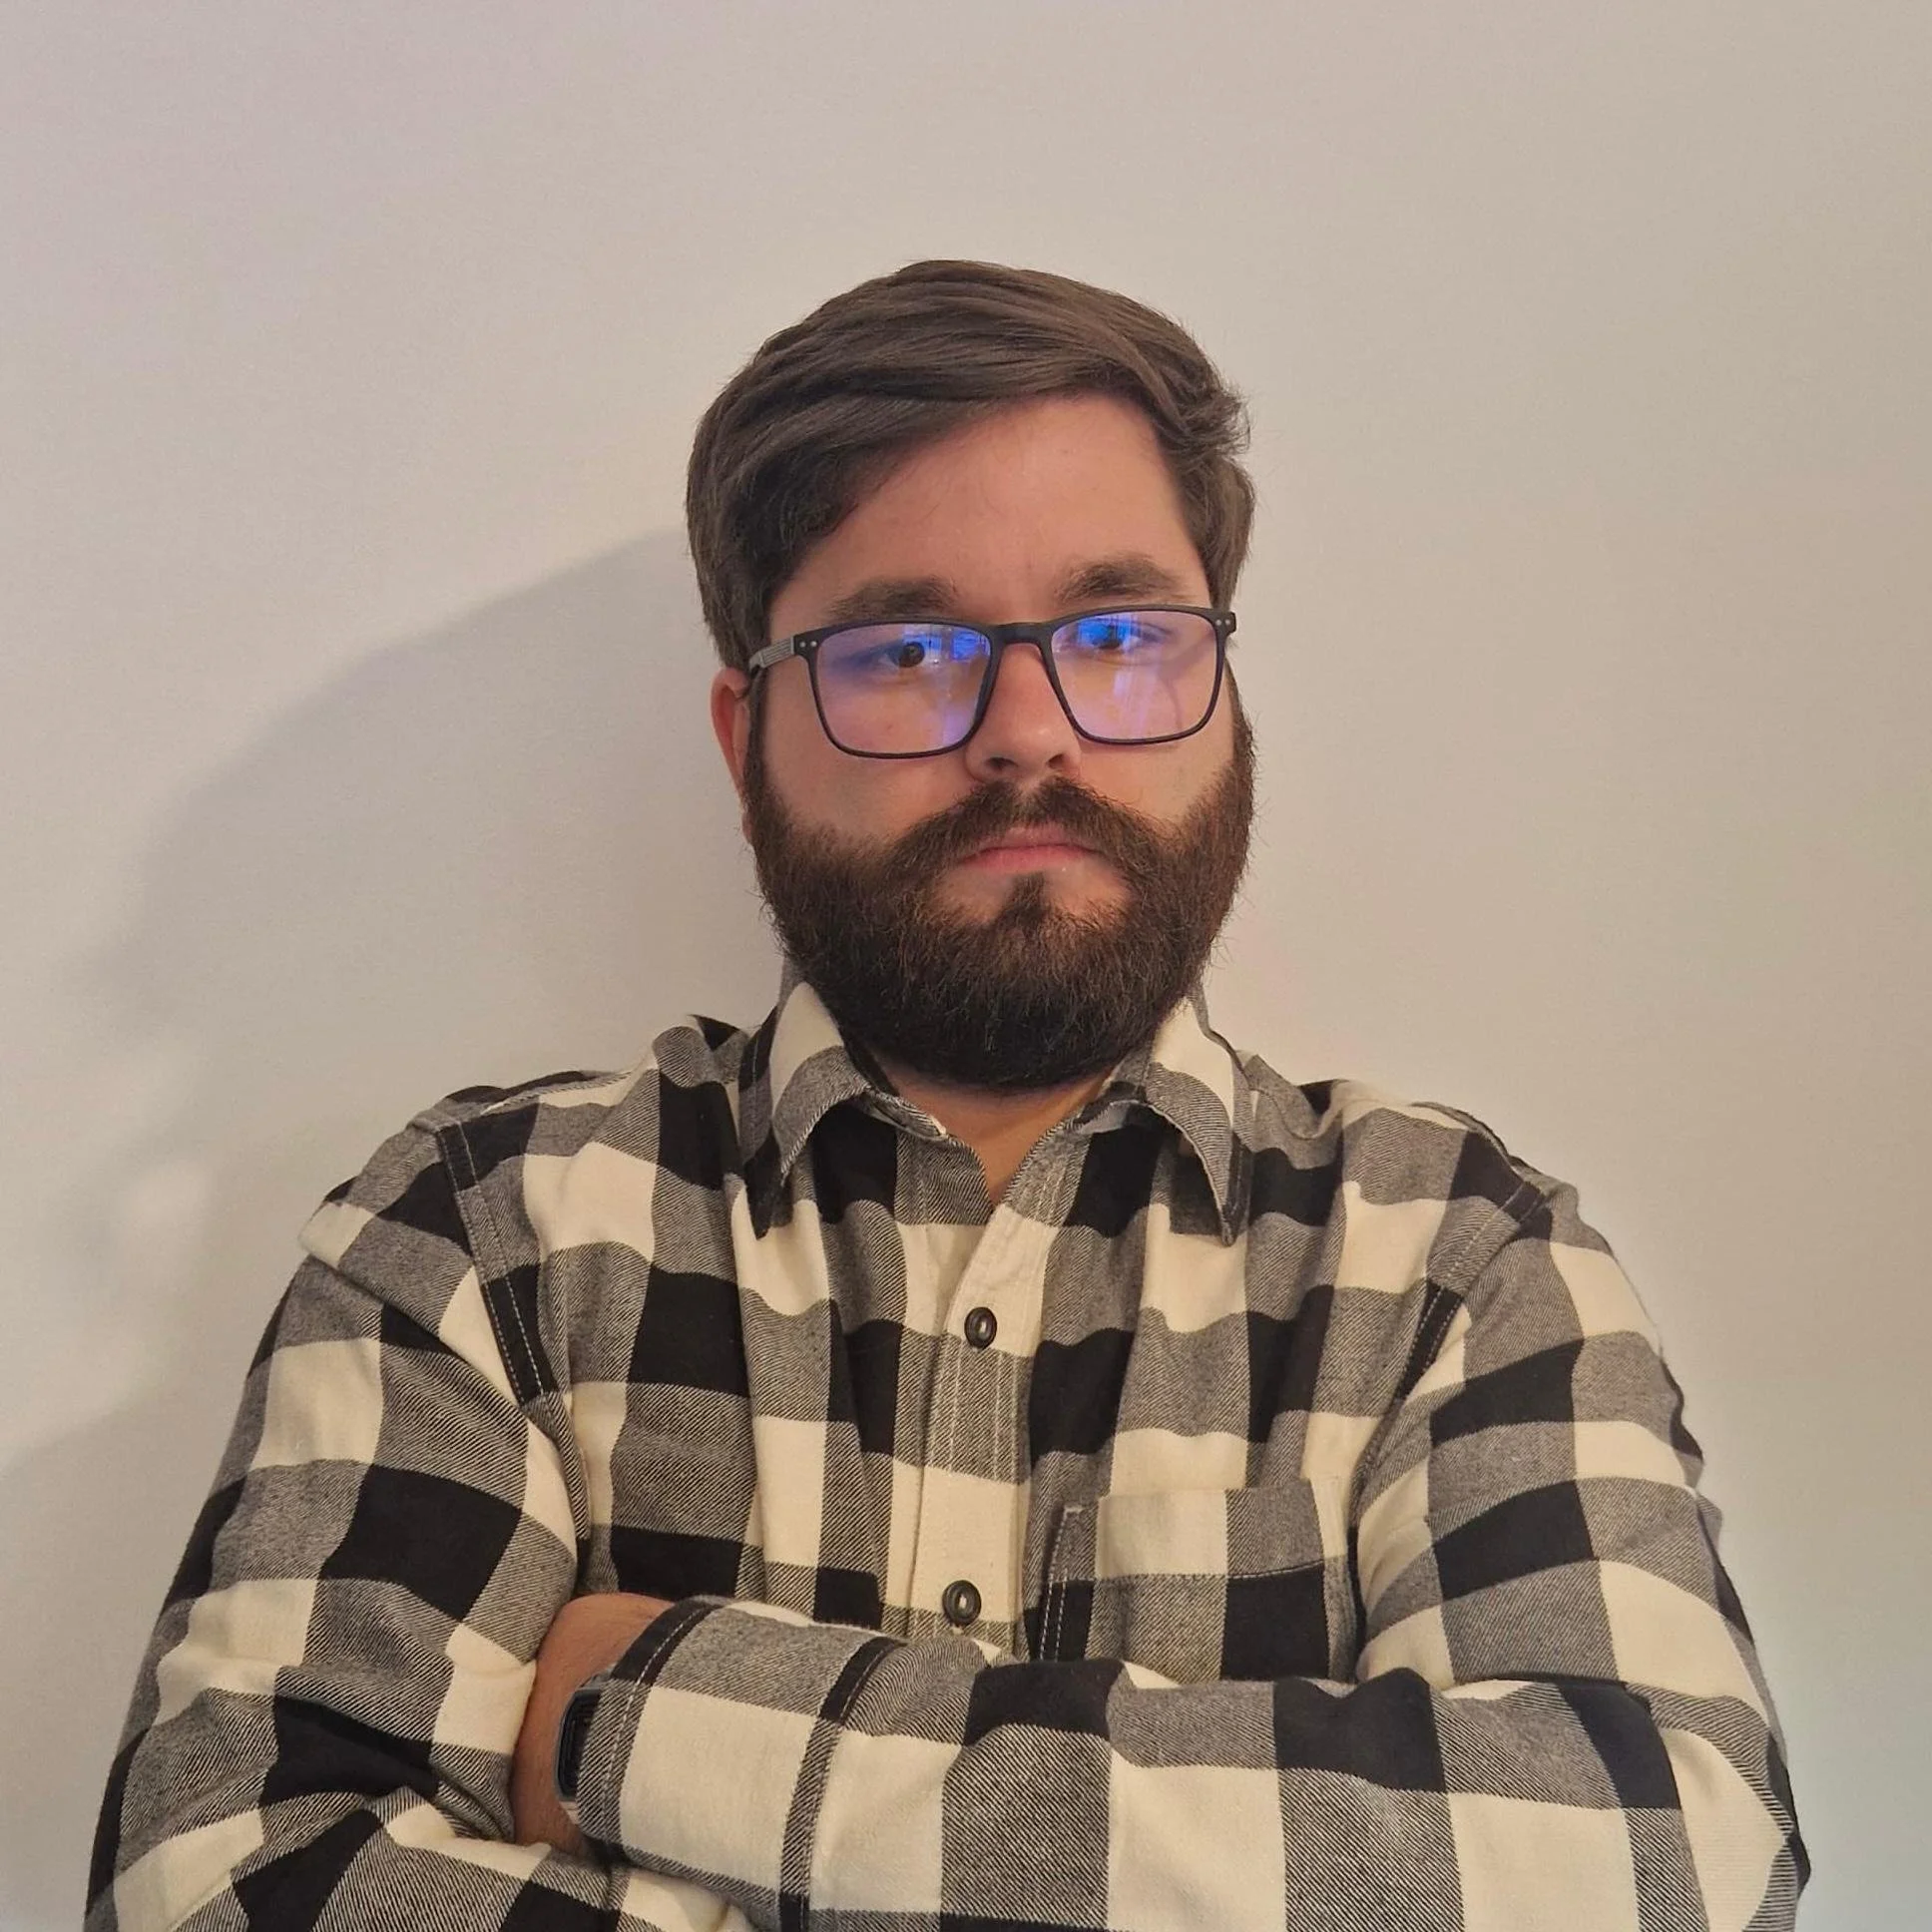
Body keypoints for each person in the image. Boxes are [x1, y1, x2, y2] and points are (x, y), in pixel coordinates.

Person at [90, 260, 1805, 1932]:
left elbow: (1670, 1866)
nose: (1029, 732)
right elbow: (225, 1881)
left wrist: (639, 1707)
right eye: (906, 650)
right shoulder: (481, 1233)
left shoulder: (1457, 1263)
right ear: (740, 734)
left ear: (1221, 694)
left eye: (1121, 632)